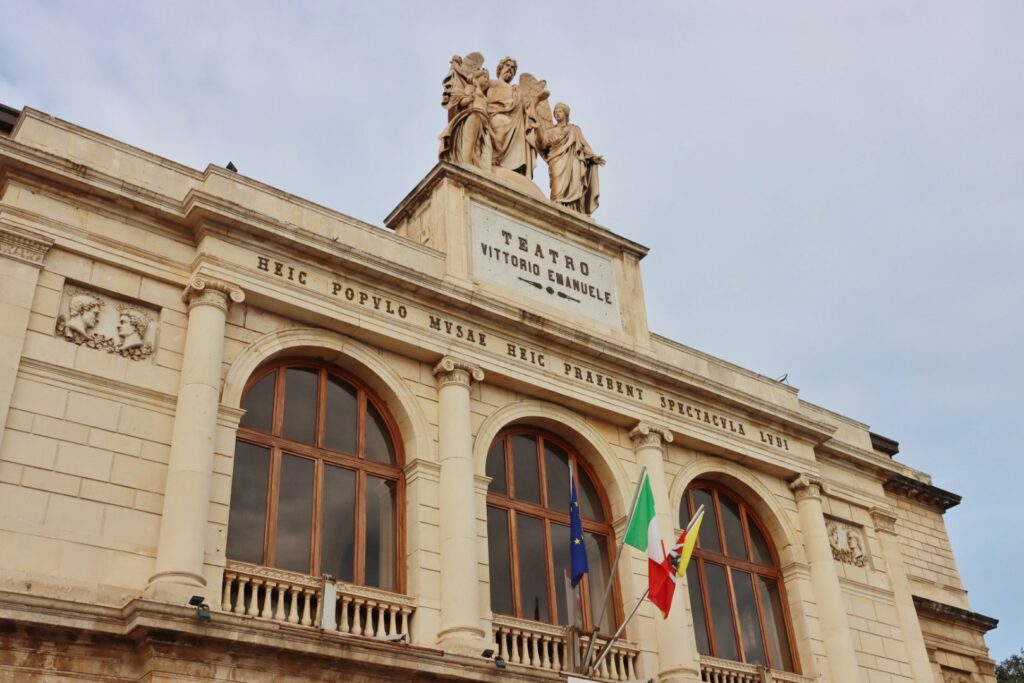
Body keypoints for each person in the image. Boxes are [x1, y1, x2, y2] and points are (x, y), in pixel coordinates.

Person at [536, 102, 604, 215]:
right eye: (555, 112)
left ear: (566, 114)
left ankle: (576, 210)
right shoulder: (550, 131)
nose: (557, 114)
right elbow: (542, 143)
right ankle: (557, 206)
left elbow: (583, 146)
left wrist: (593, 157)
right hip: (556, 160)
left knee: (575, 184)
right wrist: (537, 128)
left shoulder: (574, 130)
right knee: (557, 190)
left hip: (573, 161)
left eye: (560, 111)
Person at [486, 57, 537, 178]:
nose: (510, 69)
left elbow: (526, 106)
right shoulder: (491, 83)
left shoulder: (516, 90)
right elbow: (474, 86)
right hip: (495, 114)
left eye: (513, 68)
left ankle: (515, 169)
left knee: (523, 135)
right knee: (501, 124)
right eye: (507, 66)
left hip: (515, 121)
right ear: (500, 69)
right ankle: (493, 161)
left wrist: (538, 99)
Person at [438, 68, 493, 170]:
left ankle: (482, 167)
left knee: (484, 147)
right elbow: (461, 101)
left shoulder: (486, 97)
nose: (487, 80)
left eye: (488, 78)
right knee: (470, 140)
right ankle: (466, 162)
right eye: (484, 77)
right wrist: (469, 99)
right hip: (475, 116)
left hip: (484, 123)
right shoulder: (471, 88)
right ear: (477, 78)